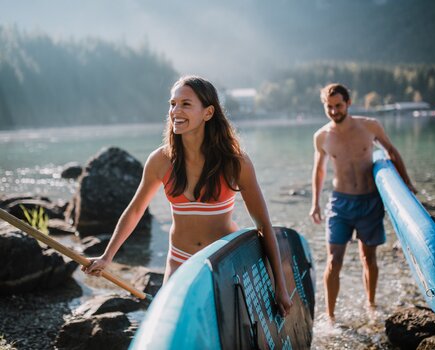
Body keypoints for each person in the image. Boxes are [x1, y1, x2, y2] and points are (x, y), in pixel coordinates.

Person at [83, 75, 293, 316]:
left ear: (208, 112)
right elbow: (135, 211)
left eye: (185, 104)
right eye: (173, 104)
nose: (175, 111)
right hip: (179, 261)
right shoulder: (160, 161)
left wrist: (281, 286)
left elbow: (263, 224)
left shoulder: (236, 163)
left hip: (221, 263)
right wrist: (107, 257)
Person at [309, 83, 416, 322]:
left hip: (369, 202)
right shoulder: (322, 136)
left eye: (338, 105)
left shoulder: (370, 126)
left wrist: (407, 183)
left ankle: (370, 304)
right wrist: (315, 203)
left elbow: (392, 151)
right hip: (340, 204)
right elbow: (318, 171)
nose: (334, 111)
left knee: (369, 257)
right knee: (334, 260)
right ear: (325, 107)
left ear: (348, 103)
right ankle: (331, 316)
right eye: (329, 107)